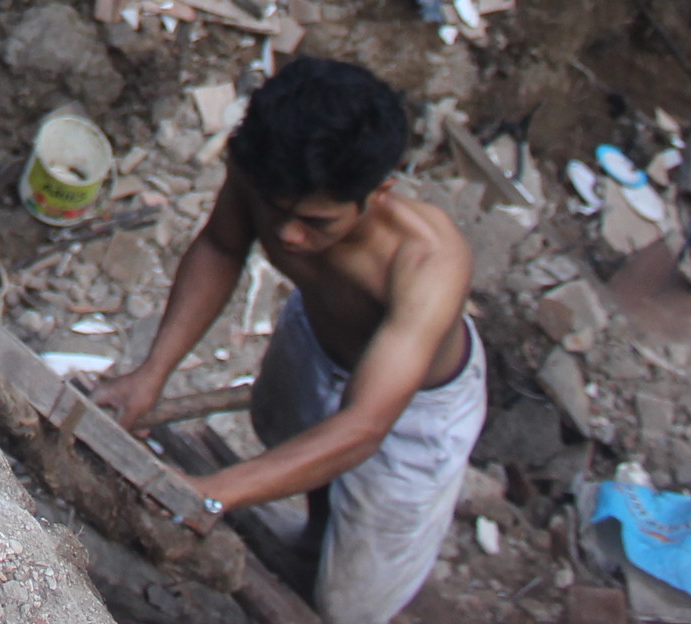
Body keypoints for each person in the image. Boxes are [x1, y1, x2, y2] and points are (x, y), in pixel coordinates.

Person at [88, 56, 484, 624]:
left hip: (412, 412)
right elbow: (223, 248)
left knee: (352, 602)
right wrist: (150, 376)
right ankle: (315, 531)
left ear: (380, 192)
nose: (290, 237)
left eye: (319, 223)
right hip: (318, 337)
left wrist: (211, 492)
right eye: (277, 214)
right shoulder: (265, 169)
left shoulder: (428, 263)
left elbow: (364, 427)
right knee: (289, 440)